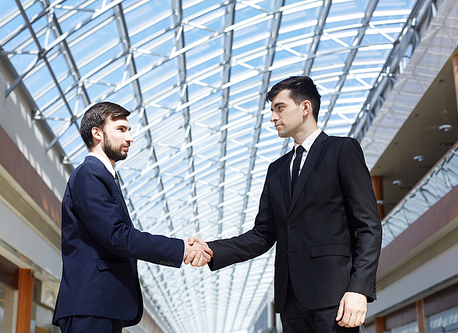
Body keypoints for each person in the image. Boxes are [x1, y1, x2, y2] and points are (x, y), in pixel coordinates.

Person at [189, 76, 382, 332]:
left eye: (279, 108)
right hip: (290, 301)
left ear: (305, 108)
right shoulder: (276, 170)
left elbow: (369, 225)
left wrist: (359, 289)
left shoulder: (342, 150)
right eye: (271, 110)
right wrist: (213, 250)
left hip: (334, 298)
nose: (272, 117)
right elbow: (262, 234)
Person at [52, 102, 212, 333]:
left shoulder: (104, 177)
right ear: (97, 133)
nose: (130, 137)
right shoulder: (89, 174)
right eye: (121, 129)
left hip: (101, 305)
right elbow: (117, 236)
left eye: (129, 130)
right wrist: (181, 249)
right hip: (92, 305)